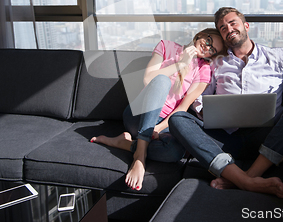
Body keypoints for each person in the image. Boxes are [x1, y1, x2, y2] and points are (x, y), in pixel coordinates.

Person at [169, 7, 283, 198]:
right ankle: (245, 181)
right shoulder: (216, 63)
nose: (229, 29)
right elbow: (199, 96)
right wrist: (203, 111)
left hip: (267, 137)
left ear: (246, 26)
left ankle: (249, 176)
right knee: (178, 119)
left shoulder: (276, 56)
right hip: (225, 139)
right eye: (223, 28)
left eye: (233, 23)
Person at [91, 28, 227, 191]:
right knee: (162, 80)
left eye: (212, 49)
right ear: (201, 35)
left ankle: (125, 144)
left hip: (165, 123)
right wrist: (181, 63)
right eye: (208, 40)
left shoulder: (203, 69)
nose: (207, 47)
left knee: (175, 151)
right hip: (138, 115)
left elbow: (182, 109)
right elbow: (148, 78)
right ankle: (140, 156)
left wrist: (158, 128)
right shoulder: (166, 46)